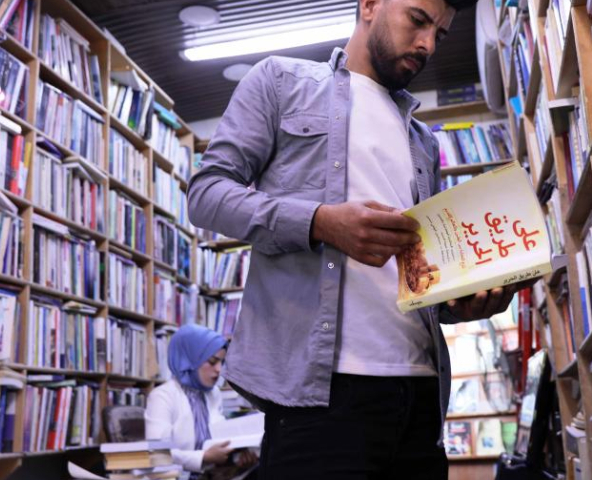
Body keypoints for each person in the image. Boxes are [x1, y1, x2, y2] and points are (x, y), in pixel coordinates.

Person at [187, 0, 524, 477]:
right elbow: (207, 194)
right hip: (321, 398)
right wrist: (320, 222)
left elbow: (415, 274)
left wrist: (461, 302)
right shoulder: (281, 82)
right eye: (418, 21)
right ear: (369, 5)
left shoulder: (423, 142)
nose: (428, 44)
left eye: (440, 35)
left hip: (422, 397)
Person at [145, 324, 258, 480]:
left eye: (221, 362)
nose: (219, 370)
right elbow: (156, 454)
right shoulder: (163, 396)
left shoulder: (213, 394)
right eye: (212, 362)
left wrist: (238, 455)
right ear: (188, 360)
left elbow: (218, 439)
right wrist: (203, 457)